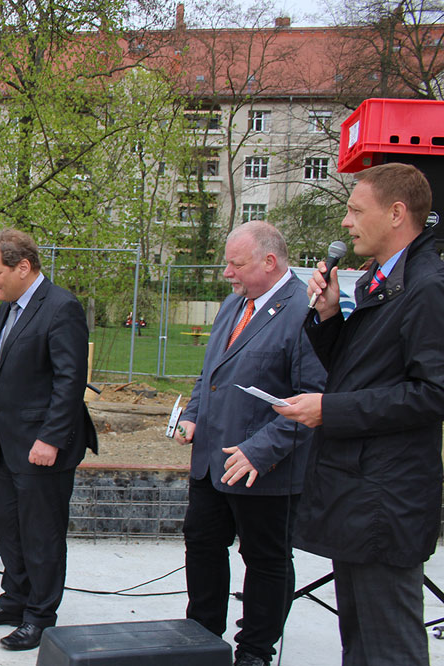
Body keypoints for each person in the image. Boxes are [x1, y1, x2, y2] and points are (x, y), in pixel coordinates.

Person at [276, 163, 444, 666]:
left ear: (396, 214)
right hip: (359, 491)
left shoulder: (427, 288)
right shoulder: (379, 280)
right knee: (360, 642)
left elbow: (432, 393)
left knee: (388, 643)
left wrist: (331, 409)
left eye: (355, 210)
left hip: (386, 500)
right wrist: (329, 318)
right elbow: (364, 372)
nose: (346, 223)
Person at [173, 221, 325, 666]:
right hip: (212, 462)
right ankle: (201, 635)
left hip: (266, 468)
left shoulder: (305, 312)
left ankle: (255, 650)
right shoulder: (233, 305)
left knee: (265, 561)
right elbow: (211, 373)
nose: (226, 273)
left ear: (270, 262)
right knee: (201, 543)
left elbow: (313, 402)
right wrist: (193, 416)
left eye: (235, 264)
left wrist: (259, 450)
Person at [0, 228, 96, 651]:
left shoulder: (61, 308)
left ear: (23, 267)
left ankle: (40, 614)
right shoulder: (11, 306)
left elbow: (70, 381)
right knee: (12, 527)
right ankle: (15, 599)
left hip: (43, 448)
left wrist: (51, 439)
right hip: (10, 440)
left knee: (42, 534)